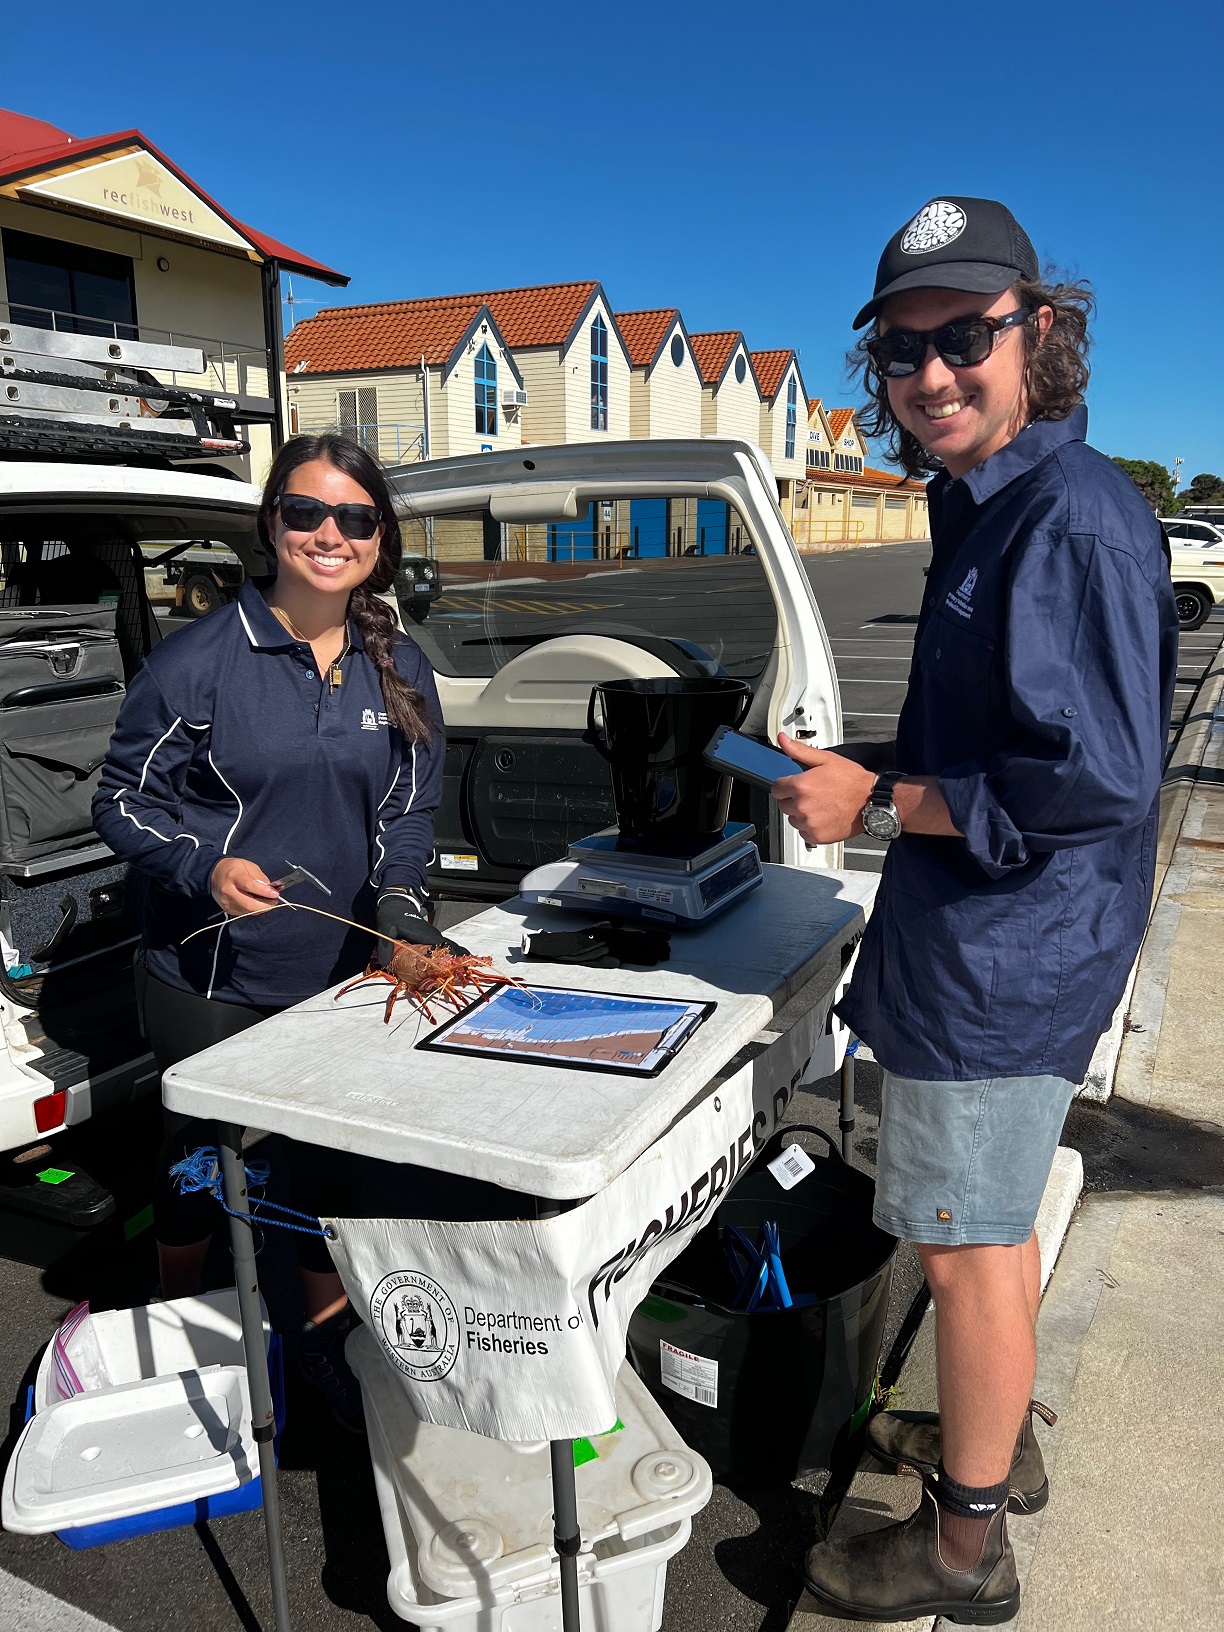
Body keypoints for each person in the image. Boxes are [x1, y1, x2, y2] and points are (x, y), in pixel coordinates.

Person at [775, 198, 1177, 1622]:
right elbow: (1002, 739)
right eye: (903, 350)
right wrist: (880, 769)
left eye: (966, 339)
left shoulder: (1071, 523)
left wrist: (879, 802)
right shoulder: (982, 497)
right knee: (987, 1226)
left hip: (1009, 956)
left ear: (1036, 333)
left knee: (961, 1242)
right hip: (1001, 937)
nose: (931, 375)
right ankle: (985, 1446)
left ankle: (963, 1548)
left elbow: (1095, 787)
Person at [93, 433, 453, 1428]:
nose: (328, 535)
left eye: (354, 518)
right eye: (306, 512)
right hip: (209, 973)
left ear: (378, 538)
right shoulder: (198, 663)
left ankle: (319, 1347)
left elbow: (407, 815)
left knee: (322, 1168)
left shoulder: (400, 664)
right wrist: (199, 866)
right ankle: (179, 1320)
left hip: (336, 972)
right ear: (272, 524)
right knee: (199, 1157)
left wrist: (402, 919)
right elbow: (122, 803)